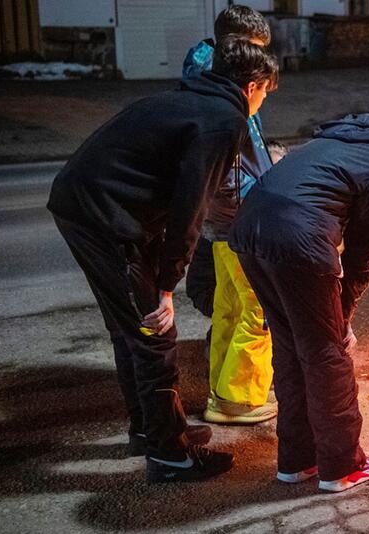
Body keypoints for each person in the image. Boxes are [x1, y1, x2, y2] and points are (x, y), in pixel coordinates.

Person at [47, 36, 279, 483]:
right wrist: (167, 287)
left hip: (95, 205)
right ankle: (169, 456)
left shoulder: (189, 97)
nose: (263, 102)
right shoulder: (223, 120)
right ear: (252, 85)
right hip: (103, 218)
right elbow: (191, 208)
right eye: (266, 91)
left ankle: (151, 430)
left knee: (130, 326)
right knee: (154, 329)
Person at [228, 97, 369, 492]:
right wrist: (343, 316)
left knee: (289, 346)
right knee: (325, 354)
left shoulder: (337, 137)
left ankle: (297, 461)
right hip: (297, 238)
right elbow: (367, 246)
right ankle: (341, 465)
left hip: (249, 229)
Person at [181, 5, 279, 425]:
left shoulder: (202, 77)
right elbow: (242, 157)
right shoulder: (226, 90)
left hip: (221, 217)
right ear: (233, 47)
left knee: (231, 307)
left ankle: (221, 391)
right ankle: (239, 400)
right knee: (258, 309)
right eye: (252, 51)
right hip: (238, 212)